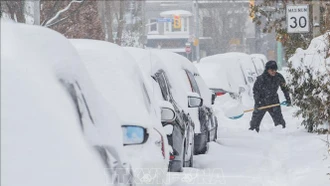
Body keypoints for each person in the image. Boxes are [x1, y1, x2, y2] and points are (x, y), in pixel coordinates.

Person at [249, 60, 291, 132]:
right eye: (272, 70)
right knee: (254, 125)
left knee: (280, 123)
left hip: (274, 101)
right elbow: (255, 91)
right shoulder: (261, 79)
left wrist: (288, 98)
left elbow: (285, 88)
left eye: (275, 70)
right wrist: (257, 102)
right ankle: (253, 136)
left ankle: (281, 136)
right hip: (261, 102)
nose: (274, 71)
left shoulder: (279, 77)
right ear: (267, 69)